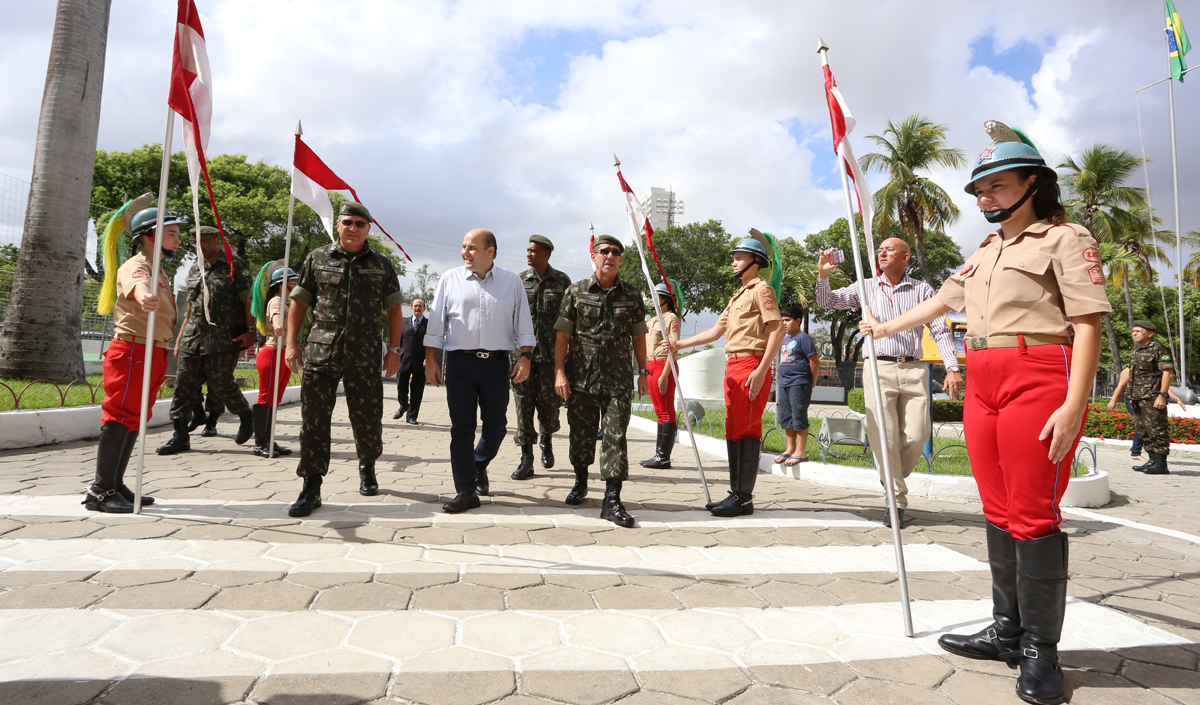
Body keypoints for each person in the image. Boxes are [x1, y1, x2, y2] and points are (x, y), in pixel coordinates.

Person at [859, 123, 1110, 705]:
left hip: (1037, 374)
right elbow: (940, 302)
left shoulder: (1066, 238)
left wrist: (1075, 403)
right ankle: (1006, 630)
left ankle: (1041, 651)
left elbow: (1088, 323)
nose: (984, 198)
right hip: (982, 379)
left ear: (1033, 184)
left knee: (1032, 511)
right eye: (979, 190)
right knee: (996, 507)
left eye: (996, 185)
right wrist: (885, 327)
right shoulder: (986, 249)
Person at [816, 236, 962, 527]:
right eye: (880, 250)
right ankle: (896, 502)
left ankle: (890, 474)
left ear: (905, 257)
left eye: (890, 249)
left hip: (914, 368)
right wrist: (823, 276)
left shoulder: (922, 289)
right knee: (885, 436)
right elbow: (827, 301)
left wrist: (952, 367)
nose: (882, 253)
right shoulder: (866, 286)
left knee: (918, 435)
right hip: (878, 367)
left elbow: (939, 330)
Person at [284, 202, 404, 516]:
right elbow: (299, 303)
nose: (353, 228)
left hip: (364, 353)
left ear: (368, 229)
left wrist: (394, 351)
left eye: (360, 224)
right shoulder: (317, 258)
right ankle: (311, 484)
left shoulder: (382, 264)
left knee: (367, 417)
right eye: (348, 222)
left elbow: (394, 309)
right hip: (322, 350)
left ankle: (367, 464)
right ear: (338, 225)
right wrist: (291, 344)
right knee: (313, 419)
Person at [666, 229, 786, 517]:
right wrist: (679, 344)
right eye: (734, 258)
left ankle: (744, 498)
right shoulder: (736, 297)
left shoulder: (761, 291)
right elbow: (715, 332)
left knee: (747, 429)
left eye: (739, 258)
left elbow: (778, 329)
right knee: (733, 429)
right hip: (733, 365)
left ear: (755, 261)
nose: (734, 263)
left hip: (751, 364)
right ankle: (735, 492)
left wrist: (762, 369)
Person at [425, 228, 535, 513]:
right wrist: (431, 359)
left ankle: (477, 464)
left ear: (490, 251)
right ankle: (465, 490)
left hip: (497, 365)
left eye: (472, 247)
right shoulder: (450, 279)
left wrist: (525, 356)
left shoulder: (512, 282)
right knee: (462, 428)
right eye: (463, 247)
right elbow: (435, 324)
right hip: (459, 364)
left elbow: (524, 324)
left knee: (496, 427)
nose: (465, 252)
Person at [88, 203, 182, 512]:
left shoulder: (159, 268)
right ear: (150, 235)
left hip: (152, 350)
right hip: (133, 351)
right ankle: (100, 491)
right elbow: (138, 284)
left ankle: (115, 483)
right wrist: (145, 297)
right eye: (171, 234)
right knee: (121, 415)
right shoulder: (138, 264)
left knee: (135, 417)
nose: (178, 240)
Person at [554, 234, 649, 527]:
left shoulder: (632, 295)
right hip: (581, 378)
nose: (610, 256)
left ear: (620, 259)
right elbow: (563, 335)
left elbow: (638, 337)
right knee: (580, 435)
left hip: (618, 380)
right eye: (604, 251)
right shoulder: (575, 292)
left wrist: (643, 372)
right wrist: (559, 371)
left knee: (615, 437)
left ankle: (612, 499)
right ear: (593, 256)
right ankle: (581, 480)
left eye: (616, 252)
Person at [157, 225, 257, 456]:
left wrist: (251, 331)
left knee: (221, 384)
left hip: (223, 338)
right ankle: (180, 436)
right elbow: (190, 307)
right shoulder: (195, 268)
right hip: (193, 336)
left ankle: (246, 415)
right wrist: (180, 337)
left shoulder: (235, 265)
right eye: (194, 242)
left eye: (202, 241)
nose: (197, 246)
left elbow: (248, 302)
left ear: (216, 241)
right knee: (183, 385)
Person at [511, 234, 572, 480]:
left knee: (549, 406)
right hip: (522, 356)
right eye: (527, 250)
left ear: (546, 253)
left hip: (550, 356)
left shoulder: (562, 281)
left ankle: (546, 437)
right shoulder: (518, 281)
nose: (528, 254)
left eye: (533, 250)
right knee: (523, 406)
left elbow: (568, 320)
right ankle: (526, 458)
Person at [1107, 321, 1175, 475]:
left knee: (1157, 430)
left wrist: (1162, 395)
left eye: (1139, 331)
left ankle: (1161, 464)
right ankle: (1152, 461)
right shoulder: (1135, 350)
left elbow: (1168, 373)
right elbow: (1132, 375)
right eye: (1133, 331)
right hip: (1137, 398)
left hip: (1152, 397)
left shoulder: (1158, 349)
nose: (1135, 333)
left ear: (1150, 334)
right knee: (1144, 430)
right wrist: (1132, 395)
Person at [250, 261, 298, 458]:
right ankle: (260, 442)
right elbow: (276, 316)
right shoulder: (276, 300)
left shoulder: (288, 303)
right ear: (282, 284)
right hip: (272, 352)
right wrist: (277, 326)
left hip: (284, 353)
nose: (295, 285)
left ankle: (268, 440)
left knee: (275, 399)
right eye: (292, 282)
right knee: (267, 397)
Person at [640, 280, 683, 469]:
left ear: (666, 299)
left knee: (666, 411)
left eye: (655, 296)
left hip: (663, 365)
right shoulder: (652, 320)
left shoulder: (671, 318)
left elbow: (673, 348)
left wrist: (665, 375)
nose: (651, 299)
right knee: (659, 411)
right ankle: (659, 454)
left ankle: (664, 458)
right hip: (651, 365)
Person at [1110, 366, 1185, 463]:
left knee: (1147, 425)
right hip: (1133, 401)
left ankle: (1145, 453)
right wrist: (1113, 400)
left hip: (1148, 401)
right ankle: (1136, 452)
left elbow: (1164, 387)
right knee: (1143, 424)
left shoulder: (1152, 369)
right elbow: (1121, 385)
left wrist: (1177, 399)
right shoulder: (1128, 370)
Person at [775, 307, 820, 465]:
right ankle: (790, 449)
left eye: (787, 320)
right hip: (784, 384)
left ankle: (801, 451)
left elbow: (814, 361)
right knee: (786, 415)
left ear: (798, 321)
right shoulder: (785, 339)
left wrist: (812, 381)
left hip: (799, 383)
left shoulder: (804, 339)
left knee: (798, 415)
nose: (784, 323)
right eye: (782, 320)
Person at [393, 298, 428, 424]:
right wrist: (395, 355)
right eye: (415, 306)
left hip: (421, 361)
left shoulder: (429, 325)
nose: (417, 308)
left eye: (420, 306)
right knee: (401, 386)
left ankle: (412, 416)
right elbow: (398, 341)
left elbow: (431, 343)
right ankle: (404, 405)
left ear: (424, 308)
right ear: (411, 308)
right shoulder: (404, 322)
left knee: (417, 391)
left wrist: (429, 357)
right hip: (404, 360)